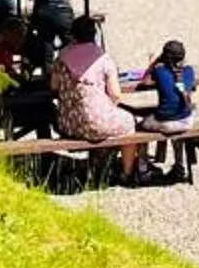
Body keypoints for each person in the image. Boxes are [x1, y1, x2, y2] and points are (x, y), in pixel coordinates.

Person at [51, 15, 148, 175]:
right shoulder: (102, 58)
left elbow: (54, 86)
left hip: (68, 123)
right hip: (97, 123)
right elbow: (116, 95)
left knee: (108, 120)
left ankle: (100, 162)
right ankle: (127, 172)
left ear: (73, 34)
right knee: (130, 122)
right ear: (93, 35)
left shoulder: (62, 57)